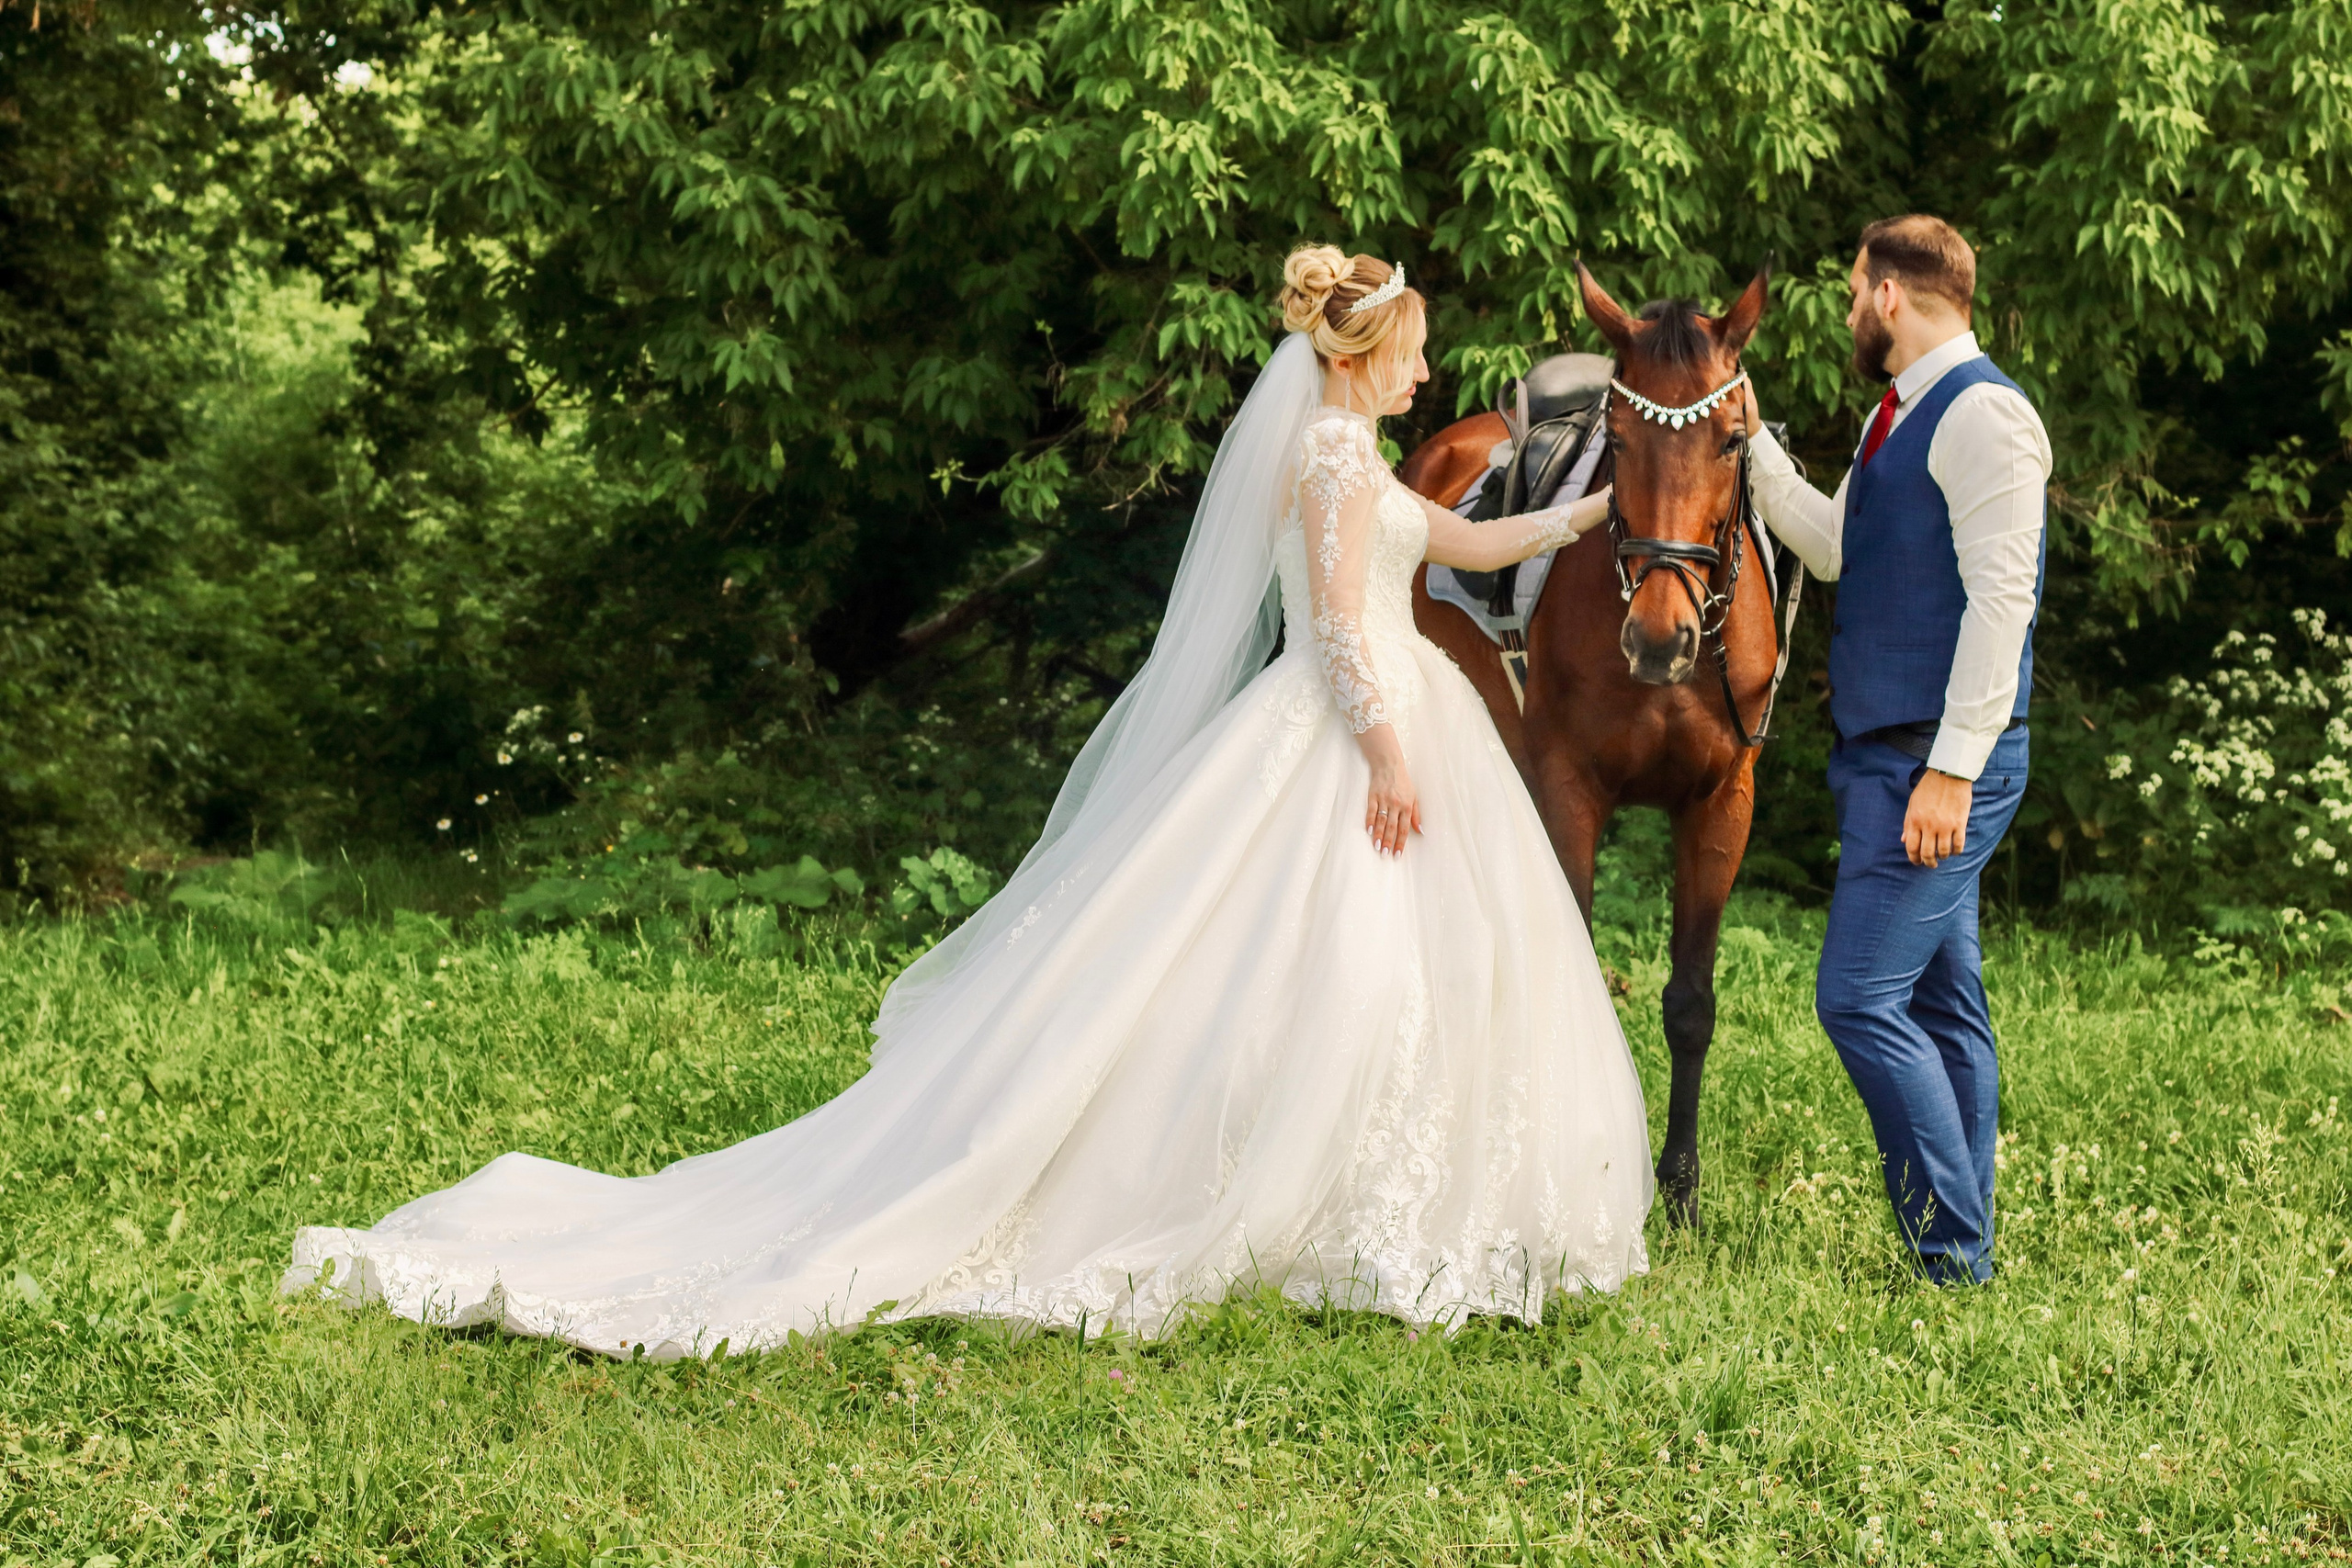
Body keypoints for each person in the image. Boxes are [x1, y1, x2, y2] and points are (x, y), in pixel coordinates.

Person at [286, 246, 1655, 1357]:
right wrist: (1389, 754)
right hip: (1351, 730)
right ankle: (1282, 1202)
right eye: (1412, 341)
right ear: (1362, 354)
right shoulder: (1332, 460)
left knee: (1374, 973)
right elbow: (1349, 636)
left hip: (1394, 715)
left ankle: (1366, 1200)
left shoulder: (1362, 459)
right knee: (1321, 967)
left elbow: (1463, 540)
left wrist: (1586, 519)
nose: (1429, 360)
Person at [1743, 215, 2051, 1283]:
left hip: (1934, 759)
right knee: (1938, 999)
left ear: (1887, 295)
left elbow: (2001, 606)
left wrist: (1951, 773)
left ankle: (1950, 1254)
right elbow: (1835, 550)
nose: (1844, 310)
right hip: (1889, 753)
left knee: (1859, 998)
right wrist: (1754, 451)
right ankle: (1963, 1257)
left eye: (1849, 289)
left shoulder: (1984, 417)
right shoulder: (1894, 418)